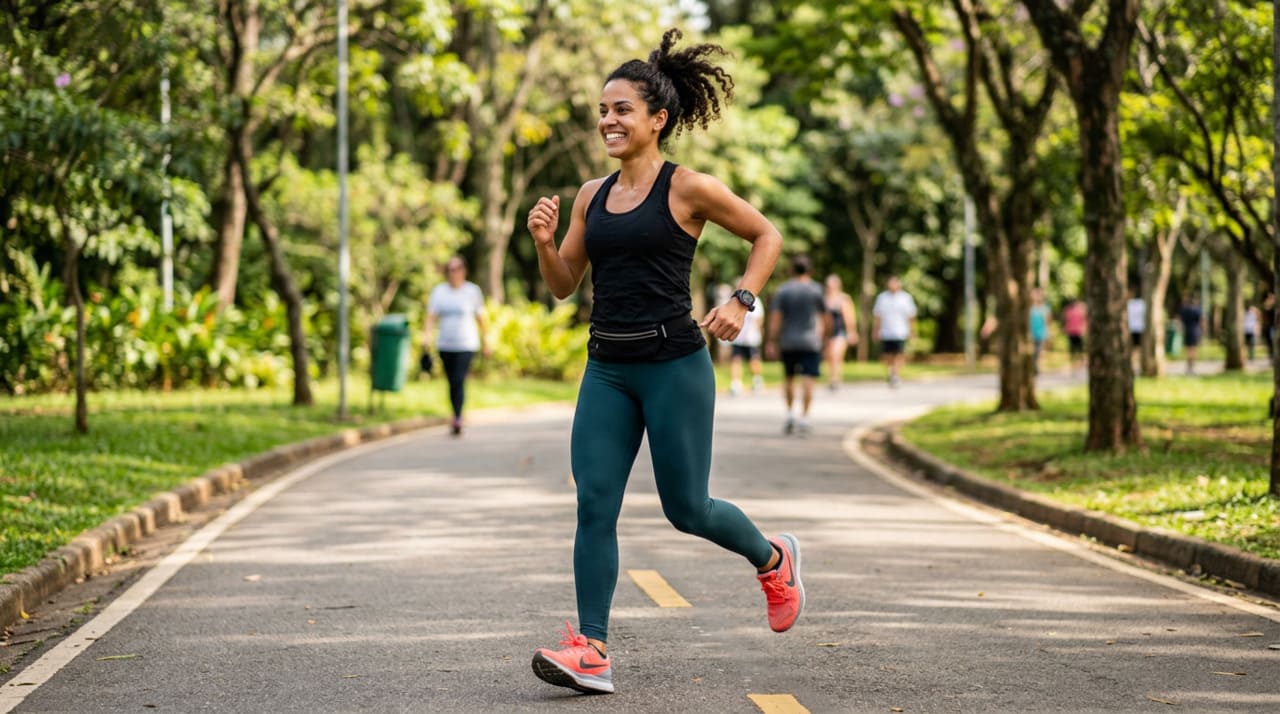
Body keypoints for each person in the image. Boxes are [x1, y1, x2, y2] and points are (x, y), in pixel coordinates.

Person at [524, 29, 803, 696]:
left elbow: (766, 235)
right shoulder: (591, 195)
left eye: (622, 109)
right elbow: (564, 285)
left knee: (688, 509)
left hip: (674, 363)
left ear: (658, 118)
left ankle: (773, 558)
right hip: (608, 366)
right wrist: (544, 243)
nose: (608, 121)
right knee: (595, 503)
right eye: (602, 110)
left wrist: (742, 300)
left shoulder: (689, 189)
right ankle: (592, 649)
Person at [423, 256, 490, 436]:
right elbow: (431, 317)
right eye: (451, 269)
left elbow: (480, 318)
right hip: (445, 344)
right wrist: (426, 338)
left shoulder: (472, 291)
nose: (455, 273)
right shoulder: (439, 292)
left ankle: (458, 417)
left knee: (459, 379)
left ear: (464, 271)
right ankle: (455, 413)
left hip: (466, 344)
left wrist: (486, 341)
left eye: (458, 268)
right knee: (452, 381)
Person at [767, 256, 829, 434]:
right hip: (811, 342)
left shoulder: (783, 290)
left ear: (792, 270)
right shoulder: (816, 290)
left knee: (789, 378)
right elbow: (826, 317)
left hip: (788, 341)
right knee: (808, 378)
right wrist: (826, 337)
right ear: (810, 270)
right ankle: (805, 418)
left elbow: (776, 318)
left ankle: (789, 414)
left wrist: (771, 340)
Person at [872, 275, 917, 387]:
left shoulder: (906, 298)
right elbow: (877, 316)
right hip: (886, 332)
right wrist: (875, 331)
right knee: (887, 355)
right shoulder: (882, 298)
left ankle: (895, 374)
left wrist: (912, 332)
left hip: (900, 331)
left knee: (899, 354)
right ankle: (891, 372)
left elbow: (911, 317)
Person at [728, 276, 765, 396]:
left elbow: (758, 319)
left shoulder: (755, 300)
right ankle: (736, 383)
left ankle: (756, 381)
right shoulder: (732, 301)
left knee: (753, 359)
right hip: (738, 337)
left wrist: (755, 332)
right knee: (736, 360)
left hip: (750, 337)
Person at [823, 274, 858, 391]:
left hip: (840, 331)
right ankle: (831, 377)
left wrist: (852, 332)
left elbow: (849, 317)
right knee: (829, 357)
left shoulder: (844, 299)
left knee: (836, 354)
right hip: (828, 333)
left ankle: (835, 379)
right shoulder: (824, 299)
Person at [1179, 293, 1204, 375]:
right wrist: (1203, 331)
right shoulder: (1197, 310)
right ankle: (1192, 367)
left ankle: (1188, 367)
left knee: (1188, 350)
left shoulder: (1184, 310)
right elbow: (1201, 321)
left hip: (1187, 331)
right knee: (1194, 350)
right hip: (1195, 331)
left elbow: (1180, 321)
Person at [1029, 287, 1051, 374]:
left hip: (1041, 333)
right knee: (1032, 351)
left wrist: (1048, 332)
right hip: (1031, 333)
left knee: (1038, 351)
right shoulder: (1030, 308)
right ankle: (1033, 366)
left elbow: (1048, 321)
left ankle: (1035, 366)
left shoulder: (1045, 308)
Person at [1062, 297, 1087, 373]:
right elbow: (1066, 320)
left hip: (1076, 331)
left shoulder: (1072, 310)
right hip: (1073, 331)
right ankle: (1076, 361)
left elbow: (1083, 320)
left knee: (1077, 347)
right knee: (1076, 347)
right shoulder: (1072, 310)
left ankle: (1078, 361)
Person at [1126, 290, 1145, 368]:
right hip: (1135, 328)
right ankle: (1135, 364)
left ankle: (1135, 364)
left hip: (1136, 328)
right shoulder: (1141, 304)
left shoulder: (1131, 304)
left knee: (1136, 348)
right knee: (1136, 348)